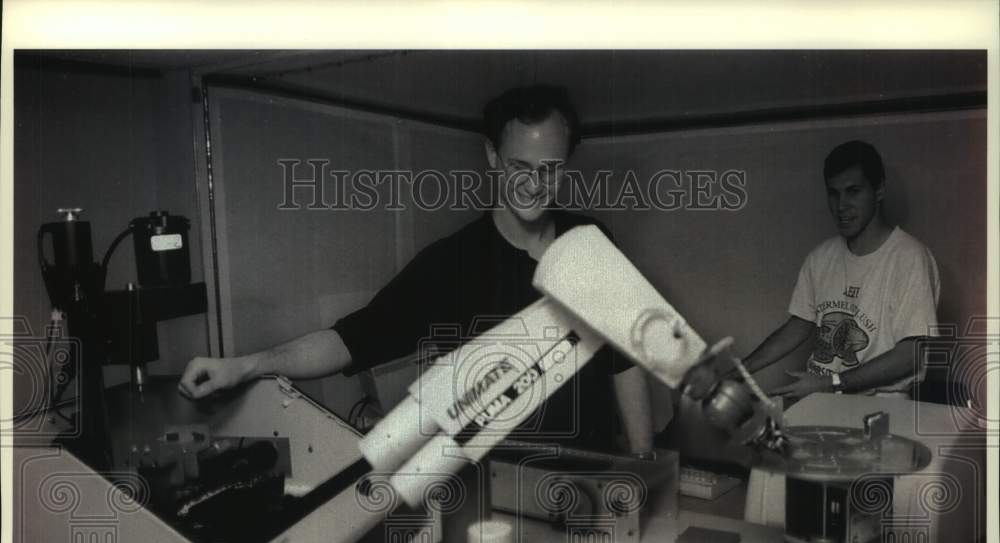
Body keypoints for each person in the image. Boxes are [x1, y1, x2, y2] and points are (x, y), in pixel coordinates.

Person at [179, 85, 653, 453]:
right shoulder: (452, 264)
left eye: (549, 168)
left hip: (591, 481)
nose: (533, 184)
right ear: (492, 157)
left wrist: (644, 462)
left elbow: (623, 361)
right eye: (518, 166)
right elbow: (353, 338)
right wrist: (247, 365)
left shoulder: (591, 245)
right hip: (498, 497)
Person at [731, 140, 940, 400]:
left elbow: (911, 355)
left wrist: (833, 383)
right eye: (833, 193)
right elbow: (799, 324)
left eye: (853, 191)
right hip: (820, 396)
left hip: (881, 408)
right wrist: (740, 371)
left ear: (879, 191)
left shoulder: (909, 257)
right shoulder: (821, 257)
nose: (841, 205)